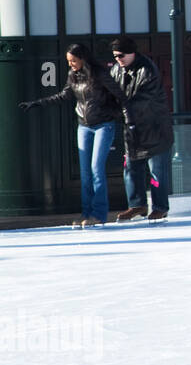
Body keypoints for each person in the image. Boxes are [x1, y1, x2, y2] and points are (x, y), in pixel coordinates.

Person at [19, 42, 128, 227]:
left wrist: (118, 115)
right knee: (85, 173)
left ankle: (99, 214)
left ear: (83, 58)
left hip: (104, 125)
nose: (71, 64)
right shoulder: (73, 76)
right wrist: (38, 103)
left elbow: (120, 96)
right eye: (69, 61)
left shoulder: (100, 74)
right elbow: (63, 95)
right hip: (84, 126)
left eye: (74, 60)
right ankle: (86, 214)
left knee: (96, 169)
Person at [108, 37, 172, 222]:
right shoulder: (116, 70)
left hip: (155, 128)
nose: (118, 59)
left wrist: (118, 108)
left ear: (132, 53)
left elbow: (141, 100)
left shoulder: (147, 69)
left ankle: (160, 207)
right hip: (133, 128)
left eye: (121, 55)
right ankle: (137, 205)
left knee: (156, 172)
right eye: (115, 56)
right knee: (131, 168)